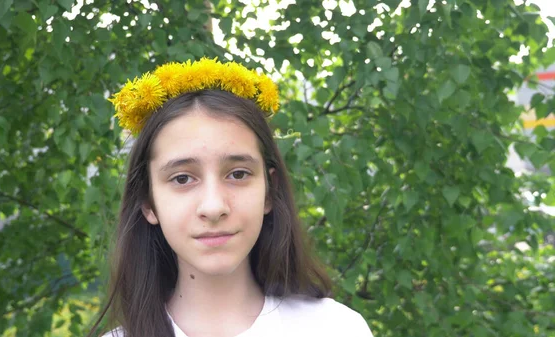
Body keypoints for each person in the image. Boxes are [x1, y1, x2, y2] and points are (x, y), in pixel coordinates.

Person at [89, 58, 374, 337]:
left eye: (237, 174)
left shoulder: (336, 328)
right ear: (148, 203)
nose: (214, 207)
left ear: (269, 191)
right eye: (182, 178)